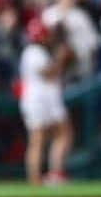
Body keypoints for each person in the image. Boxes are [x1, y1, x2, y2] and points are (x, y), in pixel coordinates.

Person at [19, 18, 74, 186]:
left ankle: (51, 175)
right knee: (42, 139)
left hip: (42, 100)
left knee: (53, 136)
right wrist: (61, 59)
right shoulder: (33, 51)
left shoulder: (37, 51)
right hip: (39, 100)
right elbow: (47, 73)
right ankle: (41, 178)